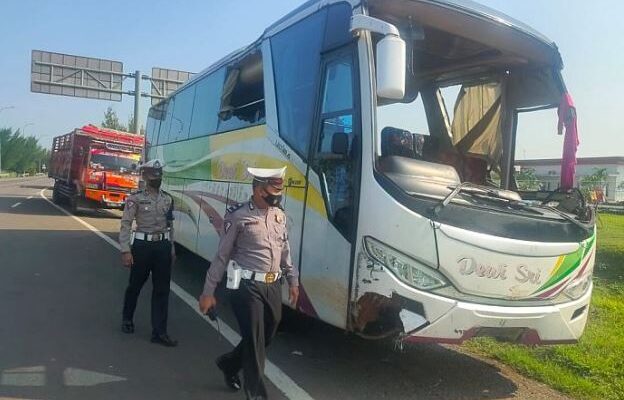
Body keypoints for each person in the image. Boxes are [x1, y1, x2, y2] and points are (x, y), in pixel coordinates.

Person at [199, 166, 300, 400]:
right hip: (246, 286)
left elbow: (285, 252)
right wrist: (208, 291)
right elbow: (222, 256)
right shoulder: (238, 216)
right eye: (272, 190)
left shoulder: (279, 216)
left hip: (272, 285)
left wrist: (292, 280)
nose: (276, 195)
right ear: (257, 189)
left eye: (278, 190)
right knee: (255, 342)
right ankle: (256, 395)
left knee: (267, 333)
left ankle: (230, 364)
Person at [119, 159, 178, 347]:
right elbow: (126, 224)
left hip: (162, 247)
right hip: (142, 247)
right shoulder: (135, 198)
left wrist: (172, 248)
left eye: (159, 175)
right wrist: (126, 250)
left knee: (162, 290)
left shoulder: (168, 199)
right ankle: (127, 318)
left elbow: (170, 226)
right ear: (145, 176)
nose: (157, 178)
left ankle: (159, 332)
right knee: (135, 285)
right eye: (153, 175)